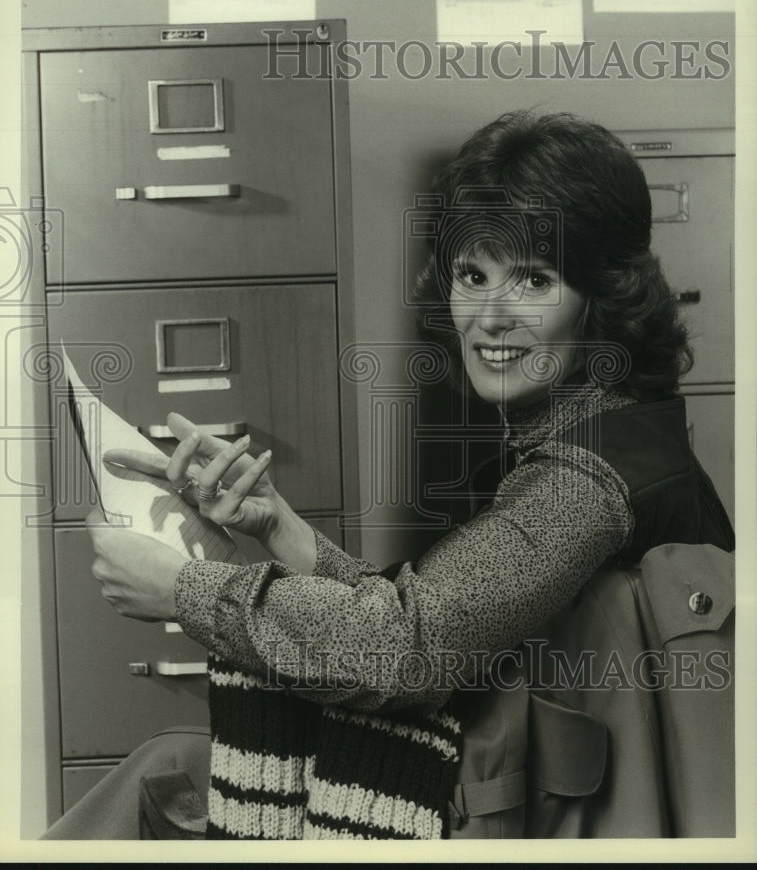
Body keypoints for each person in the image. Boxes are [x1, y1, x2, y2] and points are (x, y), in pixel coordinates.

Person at [46, 111, 734, 840]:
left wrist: (184, 591)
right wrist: (277, 525)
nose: (490, 315)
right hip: (524, 788)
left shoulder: (586, 482)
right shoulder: (606, 435)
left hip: (537, 817)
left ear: (601, 295)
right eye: (473, 274)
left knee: (161, 781)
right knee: (167, 763)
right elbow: (436, 618)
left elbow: (404, 652)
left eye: (533, 280)